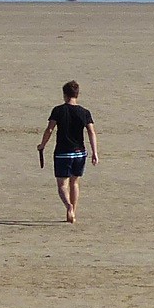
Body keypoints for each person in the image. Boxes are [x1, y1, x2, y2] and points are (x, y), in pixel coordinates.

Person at [37, 80, 98, 222]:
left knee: (61, 185)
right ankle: (73, 213)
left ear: (64, 95)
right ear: (77, 94)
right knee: (74, 183)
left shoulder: (58, 110)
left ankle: (68, 206)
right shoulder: (84, 112)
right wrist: (95, 152)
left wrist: (42, 145)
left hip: (62, 153)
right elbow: (91, 132)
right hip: (80, 153)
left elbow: (50, 129)